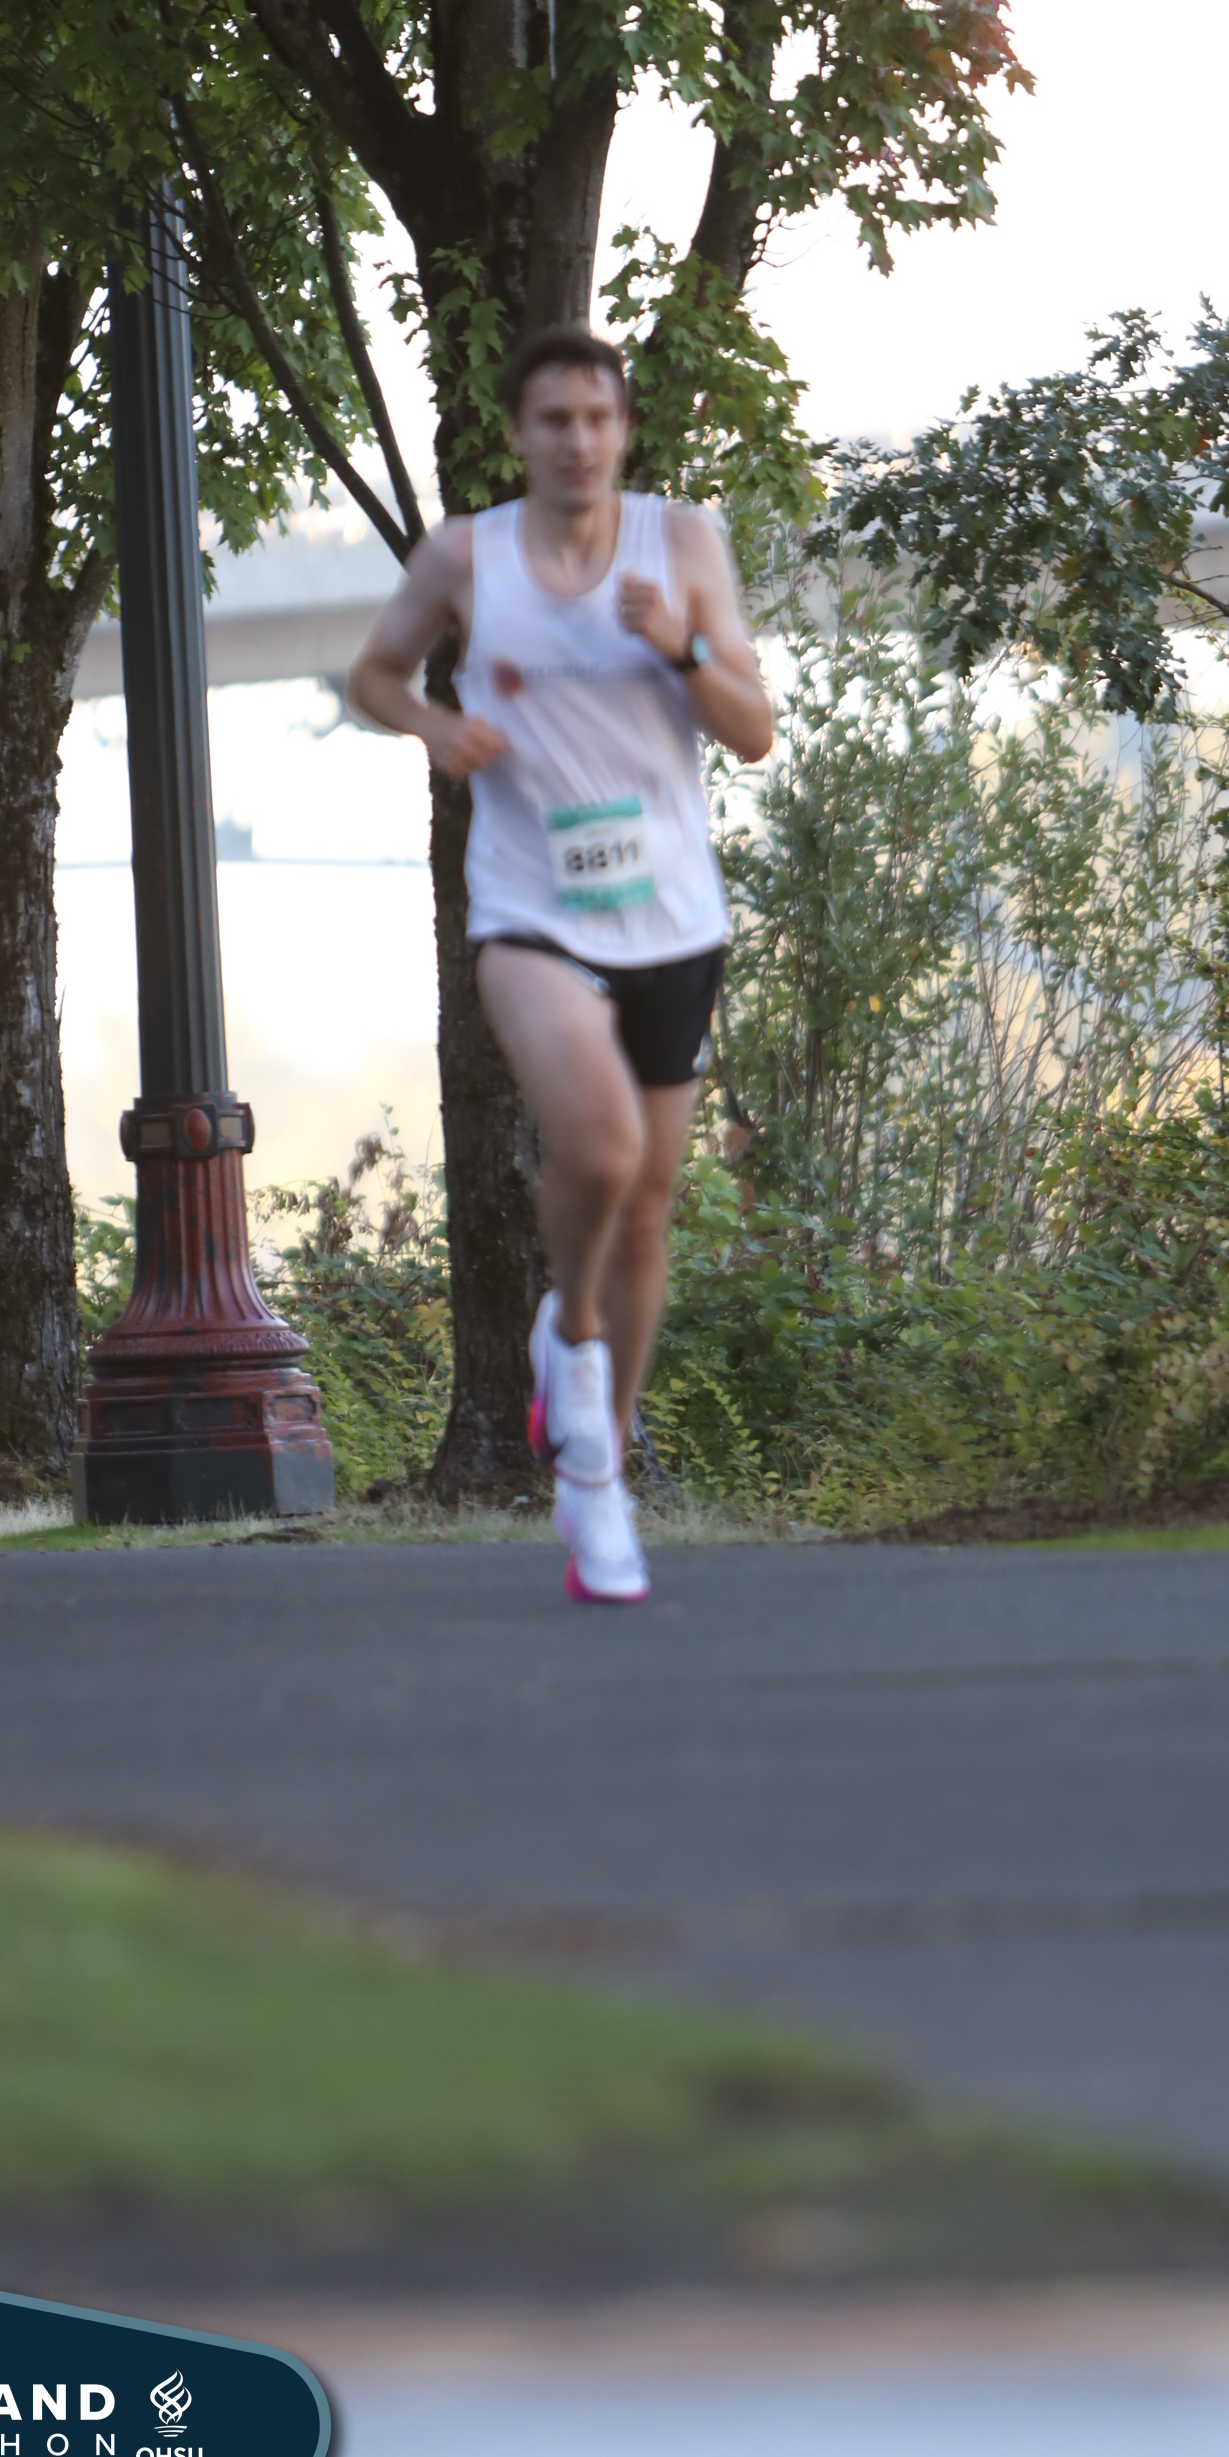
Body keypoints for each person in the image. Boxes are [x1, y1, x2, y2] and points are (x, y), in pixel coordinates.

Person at [347, 326, 775, 1601]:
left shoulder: (680, 543)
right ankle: (571, 1342)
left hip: (670, 915)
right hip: (530, 908)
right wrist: (433, 726)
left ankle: (596, 1479)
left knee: (645, 1205)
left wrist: (679, 645)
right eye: (552, 421)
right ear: (518, 436)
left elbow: (751, 733)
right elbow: (372, 675)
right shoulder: (464, 557)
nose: (577, 441)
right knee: (598, 1150)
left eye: (597, 418)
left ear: (623, 431)